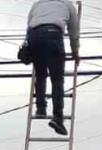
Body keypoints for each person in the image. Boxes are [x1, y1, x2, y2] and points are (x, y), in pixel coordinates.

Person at [27, 0, 80, 135]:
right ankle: (58, 118)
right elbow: (74, 32)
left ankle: (40, 108)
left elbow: (29, 25)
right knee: (57, 80)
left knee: (40, 74)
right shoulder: (68, 5)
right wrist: (75, 52)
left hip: (34, 35)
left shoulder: (38, 3)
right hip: (53, 34)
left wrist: (28, 45)